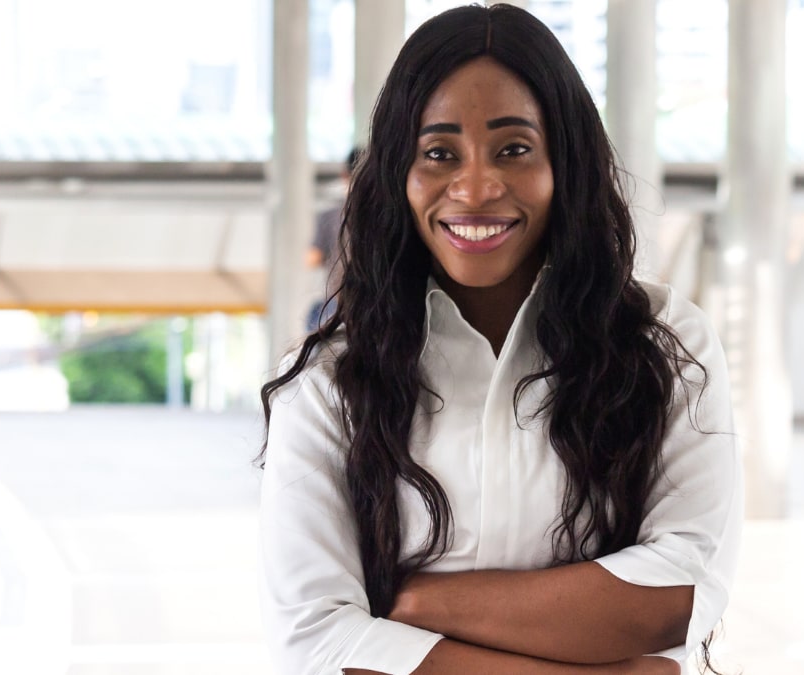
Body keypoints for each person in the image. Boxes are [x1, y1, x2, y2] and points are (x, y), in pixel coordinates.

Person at [259, 5, 741, 675]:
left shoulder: (662, 344)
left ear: (564, 163)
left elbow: (681, 592)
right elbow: (314, 645)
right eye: (439, 153)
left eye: (514, 149)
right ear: (399, 171)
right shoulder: (326, 385)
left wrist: (417, 602)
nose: (477, 186)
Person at [305, 147, 360, 332]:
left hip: (336, 303)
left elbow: (312, 259)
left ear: (345, 175)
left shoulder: (330, 215)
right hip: (373, 303)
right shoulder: (385, 217)